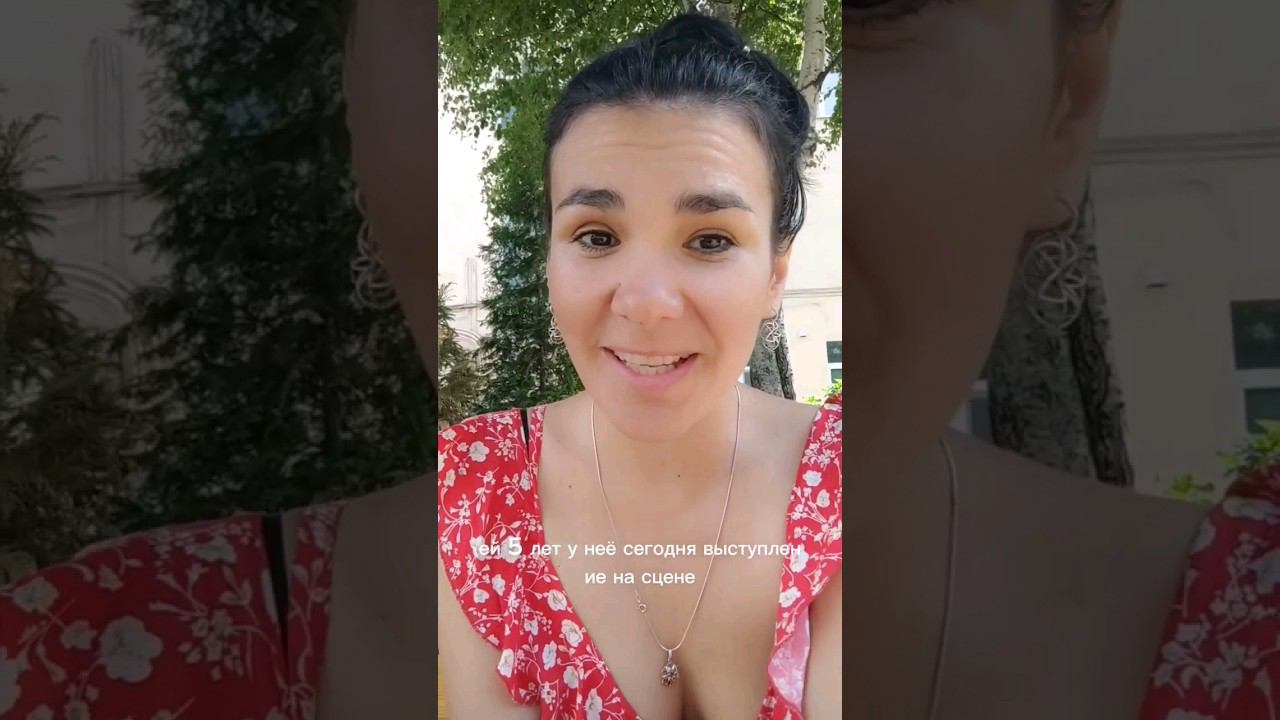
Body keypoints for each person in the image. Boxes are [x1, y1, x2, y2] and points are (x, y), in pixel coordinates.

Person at [435, 13, 842, 720]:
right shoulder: (472, 487)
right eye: (597, 236)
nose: (647, 304)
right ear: (550, 258)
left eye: (709, 240)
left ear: (776, 274)